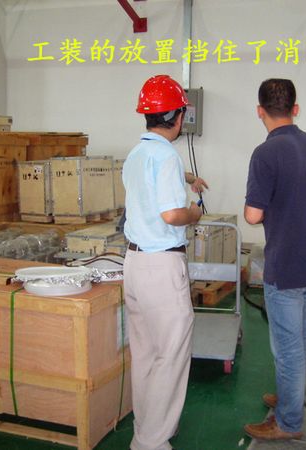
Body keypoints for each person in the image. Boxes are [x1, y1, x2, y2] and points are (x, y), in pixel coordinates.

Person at [243, 79, 306, 441]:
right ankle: (290, 396)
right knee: (300, 337)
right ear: (295, 109)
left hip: (286, 267)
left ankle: (288, 422)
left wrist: (283, 210)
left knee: (287, 349)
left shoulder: (265, 153)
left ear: (260, 111)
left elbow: (253, 215)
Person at [122, 74, 206, 450]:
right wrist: (195, 212)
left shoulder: (137, 154)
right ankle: (151, 443)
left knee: (145, 354)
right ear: (178, 116)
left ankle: (146, 429)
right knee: (170, 355)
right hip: (162, 267)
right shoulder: (167, 156)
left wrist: (185, 176)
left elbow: (149, 184)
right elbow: (172, 215)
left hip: (135, 263)